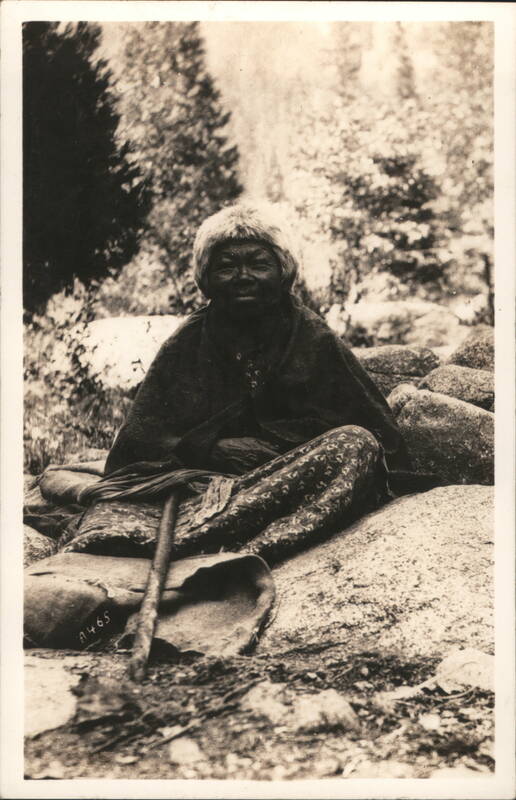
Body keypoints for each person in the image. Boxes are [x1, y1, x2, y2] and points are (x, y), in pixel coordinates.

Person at [63, 201, 414, 564]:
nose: (243, 276)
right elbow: (138, 445)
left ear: (282, 272)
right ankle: (218, 535)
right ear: (207, 279)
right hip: (202, 484)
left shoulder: (312, 336)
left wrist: (277, 447)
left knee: (355, 444)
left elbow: (376, 431)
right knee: (115, 510)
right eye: (227, 266)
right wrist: (211, 448)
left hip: (288, 474)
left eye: (259, 264)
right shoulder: (189, 341)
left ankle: (235, 544)